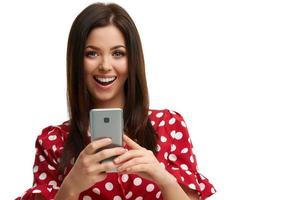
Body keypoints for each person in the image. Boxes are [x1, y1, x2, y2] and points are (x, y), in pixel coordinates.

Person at [16, 2, 215, 200]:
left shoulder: (169, 126)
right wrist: (71, 186)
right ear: (76, 60)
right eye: (92, 53)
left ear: (132, 60)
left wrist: (164, 179)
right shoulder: (53, 142)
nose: (105, 65)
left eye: (118, 53)